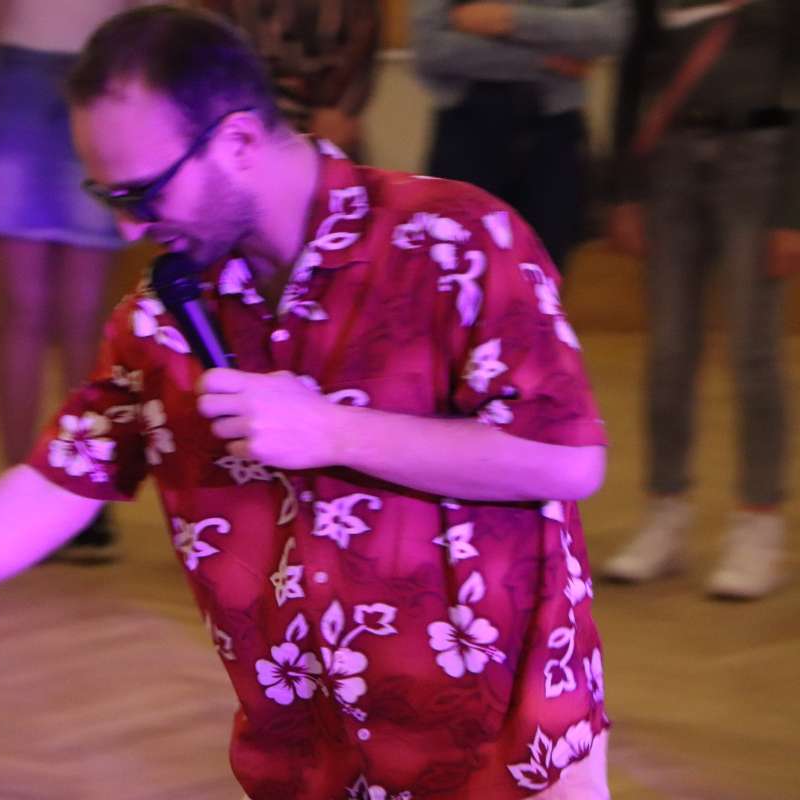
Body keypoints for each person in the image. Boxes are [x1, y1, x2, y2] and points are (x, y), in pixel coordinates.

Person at [0, 7, 611, 797]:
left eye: (142, 194)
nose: (128, 229)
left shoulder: (455, 237)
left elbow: (566, 458)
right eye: (109, 198)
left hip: (505, 753)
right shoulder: (161, 316)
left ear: (236, 140)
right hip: (311, 760)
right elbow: (55, 484)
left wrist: (332, 431)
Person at [0, 0, 150, 563]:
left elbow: (149, 19)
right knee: (22, 308)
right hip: (19, 86)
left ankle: (83, 491)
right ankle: (16, 492)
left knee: (84, 314)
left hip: (106, 82)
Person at [603, 0, 799, 599]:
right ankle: (664, 512)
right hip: (670, 165)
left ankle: (758, 522)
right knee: (669, 352)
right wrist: (623, 190)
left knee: (753, 354)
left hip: (760, 163)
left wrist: (792, 212)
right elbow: (632, 76)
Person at [411, 0, 629, 274]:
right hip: (468, 134)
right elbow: (431, 50)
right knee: (459, 281)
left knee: (541, 283)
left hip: (552, 138)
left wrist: (511, 19)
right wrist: (542, 60)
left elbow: (611, 31)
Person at [198, 0, 381, 160]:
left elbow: (363, 39)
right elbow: (209, 37)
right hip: (244, 118)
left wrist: (342, 109)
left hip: (322, 118)